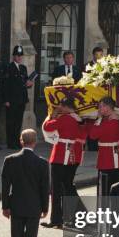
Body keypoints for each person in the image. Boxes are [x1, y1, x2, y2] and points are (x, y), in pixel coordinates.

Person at [2, 129, 49, 237]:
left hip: (16, 206)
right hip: (34, 207)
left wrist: (5, 206)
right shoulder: (42, 163)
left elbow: (5, 186)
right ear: (35, 142)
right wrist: (45, 207)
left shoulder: (10, 160)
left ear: (21, 141)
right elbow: (45, 188)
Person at [41, 97, 87, 229]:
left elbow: (47, 127)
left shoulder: (65, 118)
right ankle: (80, 215)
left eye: (61, 106)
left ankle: (56, 219)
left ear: (66, 106)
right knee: (68, 186)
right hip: (73, 156)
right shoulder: (80, 119)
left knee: (56, 189)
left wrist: (52, 115)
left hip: (61, 155)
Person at [87, 97, 119, 195]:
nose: (99, 109)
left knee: (106, 189)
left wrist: (99, 118)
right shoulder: (114, 119)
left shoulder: (111, 121)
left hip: (109, 159)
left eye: (101, 107)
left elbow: (93, 135)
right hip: (112, 158)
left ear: (108, 107)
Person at [4, 45, 33, 150]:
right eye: (17, 55)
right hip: (12, 100)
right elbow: (6, 85)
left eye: (21, 55)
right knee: (10, 122)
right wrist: (6, 99)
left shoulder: (23, 68)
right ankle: (10, 143)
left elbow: (25, 82)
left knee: (18, 122)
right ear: (13, 56)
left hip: (21, 99)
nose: (19, 57)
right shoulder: (9, 67)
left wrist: (29, 84)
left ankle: (17, 141)